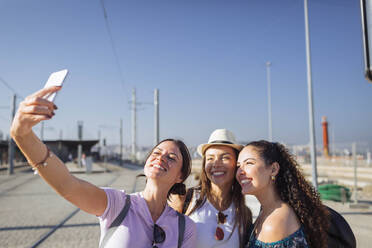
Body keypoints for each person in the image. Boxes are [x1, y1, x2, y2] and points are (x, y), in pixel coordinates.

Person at [10, 86, 196, 248]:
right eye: (156, 153)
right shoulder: (118, 204)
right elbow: (67, 185)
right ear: (147, 163)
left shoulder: (184, 227)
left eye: (171, 157)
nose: (161, 158)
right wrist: (22, 134)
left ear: (180, 176)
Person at [236, 140, 329, 248]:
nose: (240, 172)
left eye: (249, 163)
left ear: (274, 169)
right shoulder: (267, 210)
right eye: (238, 166)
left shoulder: (275, 222)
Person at [171, 129, 252, 248]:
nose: (216, 164)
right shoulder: (184, 199)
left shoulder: (244, 214)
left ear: (237, 163)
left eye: (225, 158)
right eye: (210, 158)